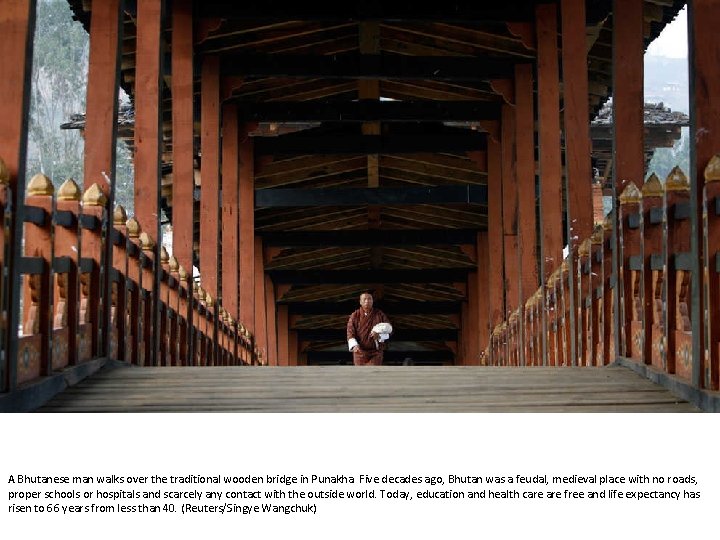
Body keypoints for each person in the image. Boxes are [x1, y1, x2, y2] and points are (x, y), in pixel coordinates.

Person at [346, 292, 392, 366]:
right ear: (360, 302)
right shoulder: (355, 315)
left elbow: (390, 331)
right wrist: (354, 345)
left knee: (374, 374)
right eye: (364, 299)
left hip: (376, 352)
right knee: (360, 375)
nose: (367, 301)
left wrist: (379, 336)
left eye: (369, 299)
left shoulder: (379, 314)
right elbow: (350, 332)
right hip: (359, 352)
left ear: (372, 301)